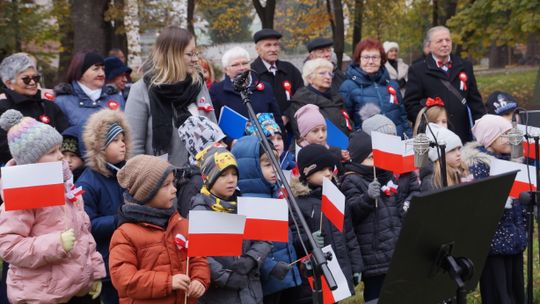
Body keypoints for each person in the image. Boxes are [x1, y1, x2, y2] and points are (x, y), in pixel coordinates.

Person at [0, 109, 105, 303]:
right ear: (30, 160)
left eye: (59, 149)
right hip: (40, 294)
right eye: (52, 152)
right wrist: (56, 243)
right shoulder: (21, 195)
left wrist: (94, 272)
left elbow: (83, 233)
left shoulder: (66, 185)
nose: (60, 157)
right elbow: (8, 245)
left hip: (77, 289)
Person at [110, 155, 211, 303]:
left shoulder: (181, 224)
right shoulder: (125, 234)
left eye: (173, 183)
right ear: (146, 192)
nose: (174, 189)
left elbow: (198, 258)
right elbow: (125, 280)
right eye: (166, 185)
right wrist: (168, 282)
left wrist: (199, 279)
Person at [340, 131, 419, 301]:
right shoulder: (351, 181)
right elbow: (352, 212)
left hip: (395, 252)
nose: (375, 161)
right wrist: (367, 198)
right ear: (358, 160)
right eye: (370, 157)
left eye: (376, 156)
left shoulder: (387, 176)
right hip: (374, 257)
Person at [191, 144, 272, 304]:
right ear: (209, 177)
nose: (231, 180)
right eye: (223, 175)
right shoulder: (200, 210)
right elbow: (199, 255)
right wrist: (226, 277)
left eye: (234, 174)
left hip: (252, 294)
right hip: (221, 297)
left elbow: (264, 239)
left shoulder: (244, 204)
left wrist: (251, 259)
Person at [125, 26, 216, 168]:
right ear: (172, 55)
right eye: (190, 54)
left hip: (203, 178)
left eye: (196, 53)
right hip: (162, 182)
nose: (195, 59)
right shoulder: (141, 90)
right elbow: (134, 148)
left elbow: (213, 131)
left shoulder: (198, 85)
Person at [461, 114, 526, 304]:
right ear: (489, 138)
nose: (510, 138)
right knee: (499, 295)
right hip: (493, 245)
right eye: (504, 134)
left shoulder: (510, 160)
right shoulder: (480, 167)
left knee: (516, 291)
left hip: (513, 239)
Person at [231, 136, 303, 303]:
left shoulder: (276, 193)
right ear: (251, 167)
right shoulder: (244, 202)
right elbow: (246, 249)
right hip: (265, 282)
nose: (274, 170)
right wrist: (270, 267)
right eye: (267, 165)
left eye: (275, 163)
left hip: (286, 274)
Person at [289, 144, 362, 304]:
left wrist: (356, 266)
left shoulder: (336, 196)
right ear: (307, 174)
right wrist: (310, 241)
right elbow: (295, 240)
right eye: (322, 170)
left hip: (341, 273)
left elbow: (349, 235)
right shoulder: (297, 204)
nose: (329, 173)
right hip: (317, 278)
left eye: (330, 168)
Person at [76, 109, 131, 304]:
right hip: (107, 260)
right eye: (115, 140)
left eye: (123, 139)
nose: (122, 144)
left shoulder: (128, 173)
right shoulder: (88, 183)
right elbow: (85, 225)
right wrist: (120, 219)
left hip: (132, 259)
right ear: (100, 146)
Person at [404, 26, 486, 143]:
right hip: (434, 135)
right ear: (429, 45)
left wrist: (482, 125)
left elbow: (475, 101)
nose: (445, 44)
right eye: (439, 41)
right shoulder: (418, 70)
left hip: (462, 133)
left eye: (447, 40)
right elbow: (410, 104)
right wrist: (430, 122)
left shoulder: (465, 66)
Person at [0, 52, 69, 164]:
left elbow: (66, 135)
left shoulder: (49, 106)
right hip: (18, 173)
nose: (33, 82)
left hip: (57, 167)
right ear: (9, 83)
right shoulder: (2, 108)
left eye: (36, 78)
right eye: (26, 79)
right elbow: (3, 148)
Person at [339, 38, 411, 138]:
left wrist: (409, 138)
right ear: (358, 59)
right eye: (366, 57)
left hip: (397, 142)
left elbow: (403, 117)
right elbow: (346, 123)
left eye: (375, 57)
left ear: (381, 60)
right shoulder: (348, 87)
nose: (371, 61)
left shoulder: (392, 85)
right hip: (369, 147)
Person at [210, 46, 283, 130]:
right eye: (235, 65)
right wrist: (230, 141)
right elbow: (214, 124)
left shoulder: (265, 88)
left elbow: (277, 120)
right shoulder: (216, 91)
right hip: (236, 142)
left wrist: (281, 141)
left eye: (245, 63)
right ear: (226, 70)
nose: (241, 68)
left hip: (266, 140)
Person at [55, 51, 125, 128]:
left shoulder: (117, 98)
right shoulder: (62, 102)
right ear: (80, 72)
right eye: (96, 69)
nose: (102, 73)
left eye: (103, 69)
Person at [287, 58, 352, 138]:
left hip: (345, 145)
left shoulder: (337, 98)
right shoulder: (301, 101)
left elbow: (348, 124)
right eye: (322, 73)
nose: (328, 77)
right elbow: (303, 134)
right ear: (310, 78)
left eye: (330, 74)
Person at [176, 116, 226, 218]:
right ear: (203, 150)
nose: (225, 145)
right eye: (219, 142)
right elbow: (189, 222)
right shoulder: (193, 184)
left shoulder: (213, 174)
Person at [251, 28, 304, 121]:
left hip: (292, 125)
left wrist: (287, 116)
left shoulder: (289, 69)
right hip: (265, 129)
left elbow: (301, 97)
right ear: (257, 49)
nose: (273, 49)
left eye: (276, 45)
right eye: (268, 45)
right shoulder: (252, 73)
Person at [418, 123, 464, 191]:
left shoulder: (463, 171)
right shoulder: (431, 182)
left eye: (459, 149)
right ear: (438, 156)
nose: (458, 154)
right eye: (452, 150)